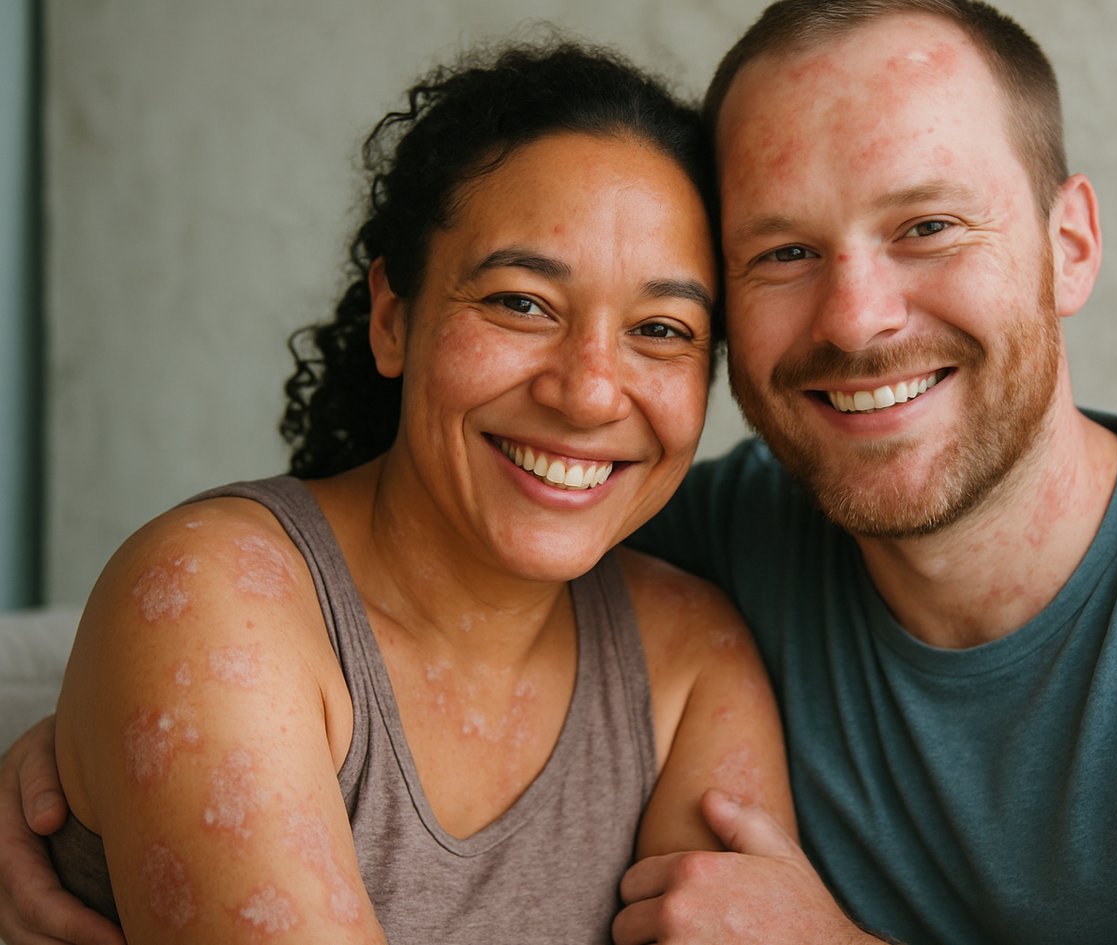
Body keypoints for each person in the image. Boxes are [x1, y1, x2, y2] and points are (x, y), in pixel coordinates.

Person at [6, 1, 1117, 943]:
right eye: (782, 255)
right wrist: (96, 741)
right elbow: (339, 592)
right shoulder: (688, 539)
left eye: (929, 225)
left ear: (1071, 243)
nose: (859, 317)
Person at [0, 40, 793, 945]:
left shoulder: (692, 662)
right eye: (521, 303)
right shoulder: (214, 599)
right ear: (393, 317)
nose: (587, 391)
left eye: (661, 328)